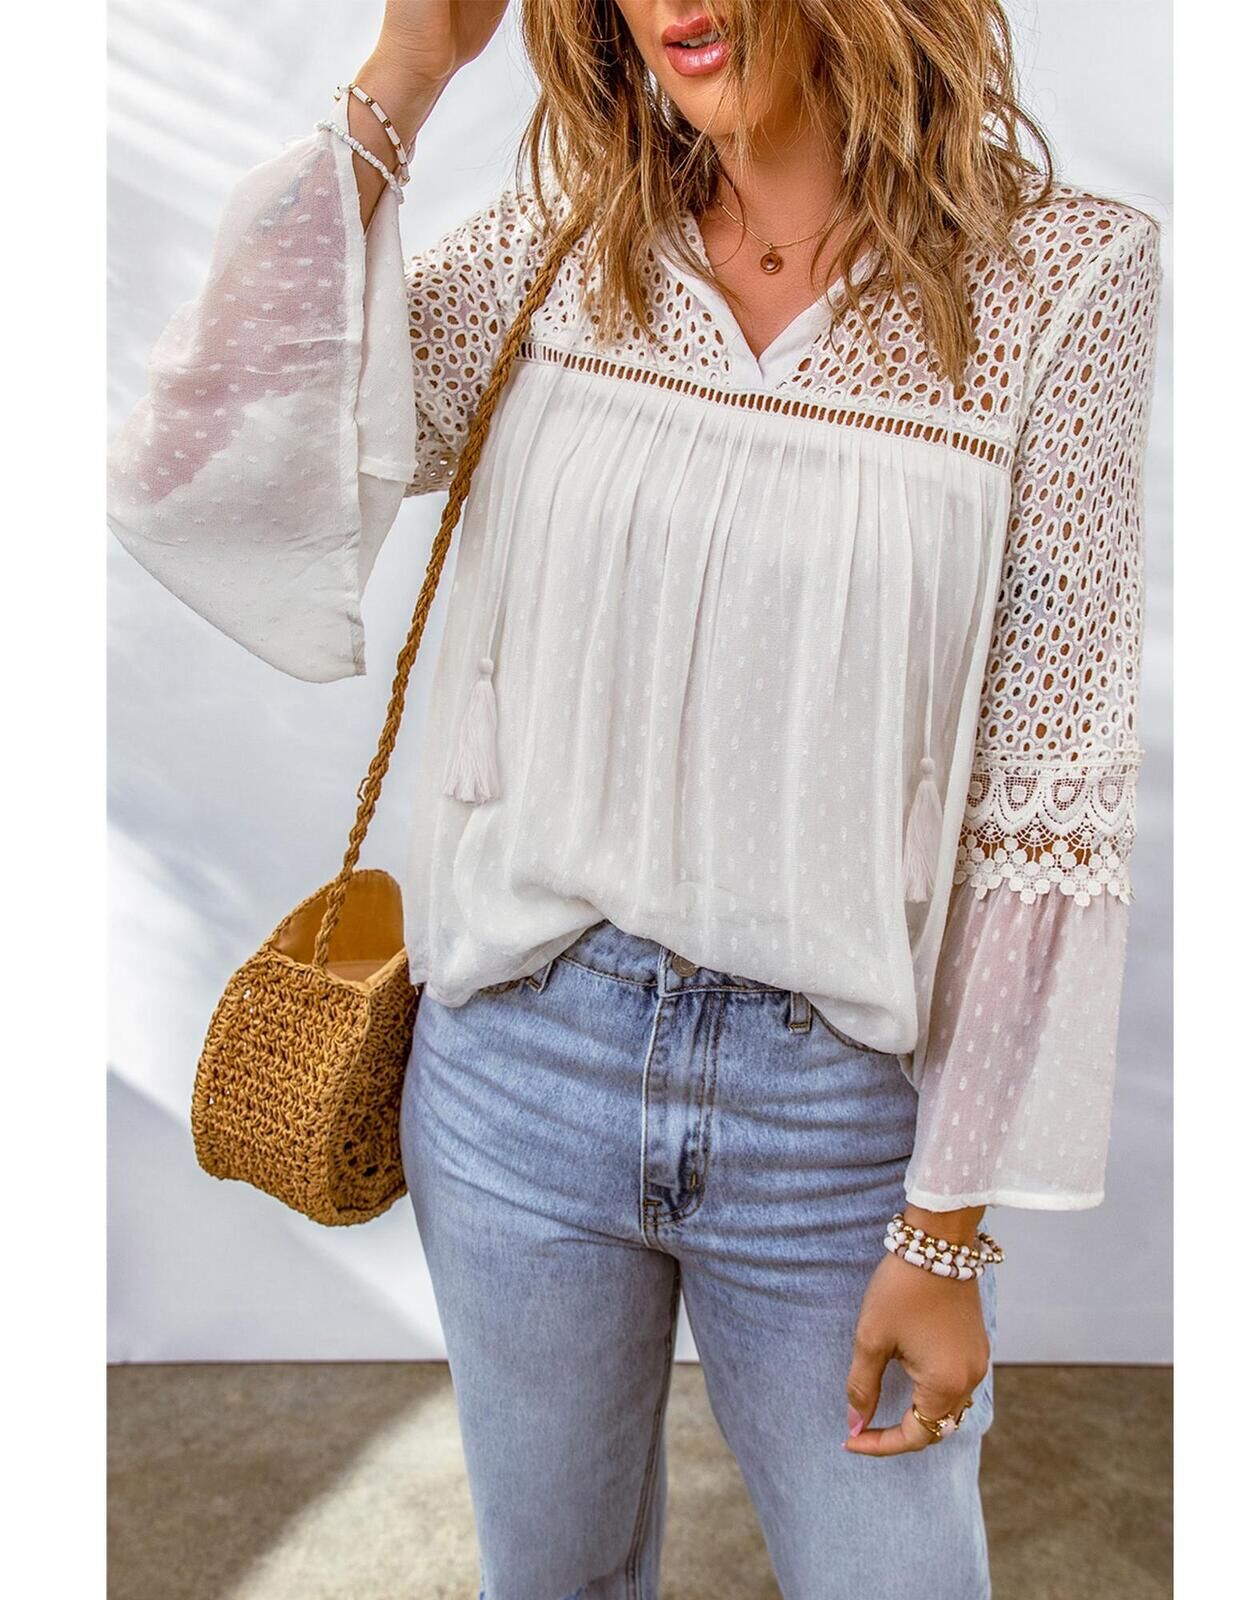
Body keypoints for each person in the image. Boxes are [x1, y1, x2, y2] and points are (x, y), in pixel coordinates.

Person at [106, 2, 1164, 1595]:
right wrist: (408, 71)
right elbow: (217, 453)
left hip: (834, 1120)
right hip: (519, 1075)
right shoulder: (566, 237)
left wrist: (943, 1226)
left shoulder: (1060, 279)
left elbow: (1046, 786)